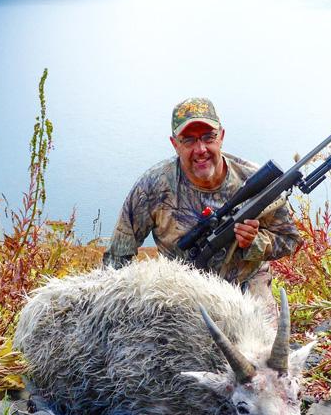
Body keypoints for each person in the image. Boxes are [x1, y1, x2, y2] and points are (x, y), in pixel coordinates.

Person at [102, 97, 301, 308]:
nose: (201, 149)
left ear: (221, 137)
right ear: (175, 144)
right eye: (188, 140)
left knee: (265, 340)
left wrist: (254, 243)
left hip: (245, 286)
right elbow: (117, 257)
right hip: (180, 288)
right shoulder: (153, 187)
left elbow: (290, 239)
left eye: (208, 137)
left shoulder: (257, 181)